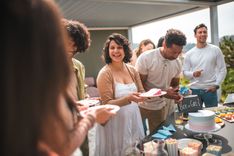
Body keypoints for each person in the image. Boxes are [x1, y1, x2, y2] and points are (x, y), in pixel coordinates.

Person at [1, 0, 114, 155]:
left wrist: (76, 106)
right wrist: (92, 117)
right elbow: (61, 146)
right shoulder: (39, 75)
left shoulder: (75, 66)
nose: (68, 53)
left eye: (74, 50)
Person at [95, 33, 145, 156]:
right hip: (115, 122)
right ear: (108, 51)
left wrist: (150, 95)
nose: (116, 51)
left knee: (133, 150)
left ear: (125, 50)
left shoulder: (132, 70)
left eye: (119, 47)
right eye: (112, 48)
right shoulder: (105, 73)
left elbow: (141, 91)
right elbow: (107, 103)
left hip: (133, 117)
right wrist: (128, 98)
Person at [135, 29, 187, 133]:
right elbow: (140, 85)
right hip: (140, 105)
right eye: (173, 52)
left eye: (179, 52)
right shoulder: (146, 58)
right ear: (164, 44)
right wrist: (164, 93)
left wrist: (177, 95)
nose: (176, 56)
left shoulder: (177, 63)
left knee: (157, 138)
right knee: (139, 136)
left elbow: (174, 85)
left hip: (159, 107)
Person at [183, 23, 227, 107]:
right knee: (194, 116)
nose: (203, 34)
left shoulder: (216, 50)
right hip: (194, 90)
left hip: (210, 90)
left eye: (205, 32)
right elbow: (184, 73)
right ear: (195, 35)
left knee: (212, 116)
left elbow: (222, 69)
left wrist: (216, 85)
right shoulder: (189, 54)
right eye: (200, 32)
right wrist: (193, 74)